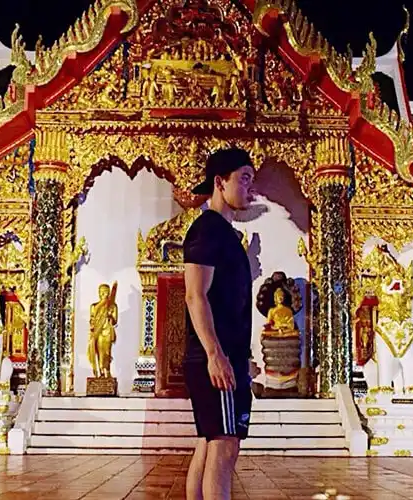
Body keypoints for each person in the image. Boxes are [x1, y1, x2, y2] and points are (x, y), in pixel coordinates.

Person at [182, 147, 259, 500]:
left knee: (210, 444)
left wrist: (241, 356)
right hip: (216, 359)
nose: (250, 188)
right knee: (225, 448)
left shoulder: (224, 233)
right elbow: (195, 295)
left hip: (227, 357)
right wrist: (216, 354)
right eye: (243, 179)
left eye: (251, 180)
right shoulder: (208, 230)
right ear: (219, 182)